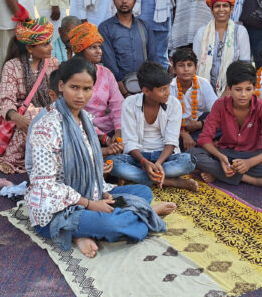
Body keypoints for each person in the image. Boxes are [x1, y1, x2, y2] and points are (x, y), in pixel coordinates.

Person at [28, 56, 175, 258]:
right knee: (115, 224)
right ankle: (145, 215)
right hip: (57, 210)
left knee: (142, 192)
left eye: (87, 89)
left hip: (89, 193)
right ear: (61, 86)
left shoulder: (85, 120)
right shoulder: (46, 127)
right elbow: (45, 185)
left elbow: (88, 164)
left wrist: (100, 191)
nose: (80, 95)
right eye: (74, 87)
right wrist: (89, 204)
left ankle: (87, 231)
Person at [189, 61, 262, 193]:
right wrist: (221, 158)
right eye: (238, 89)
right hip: (225, 153)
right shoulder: (220, 104)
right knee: (192, 155)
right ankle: (251, 179)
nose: (243, 95)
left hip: (253, 154)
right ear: (228, 88)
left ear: (255, 88)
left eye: (248, 89)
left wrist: (249, 163)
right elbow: (204, 138)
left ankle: (219, 173)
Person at [109, 62, 198, 191]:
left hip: (164, 158)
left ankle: (137, 177)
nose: (167, 93)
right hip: (138, 158)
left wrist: (158, 163)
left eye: (168, 88)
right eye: (162, 89)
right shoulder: (129, 103)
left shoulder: (174, 104)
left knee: (188, 161)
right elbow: (130, 142)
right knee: (112, 163)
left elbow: (171, 141)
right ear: (146, 91)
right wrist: (145, 163)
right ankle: (169, 181)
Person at [0, 7, 60, 174]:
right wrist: (17, 117)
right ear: (30, 48)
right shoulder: (12, 66)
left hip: (48, 112)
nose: (51, 47)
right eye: (46, 44)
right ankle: (12, 158)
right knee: (32, 114)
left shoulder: (53, 63)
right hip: (17, 117)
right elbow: (5, 99)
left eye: (50, 42)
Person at [66, 22, 124, 156]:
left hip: (108, 130)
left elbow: (117, 104)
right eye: (93, 47)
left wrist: (118, 131)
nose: (99, 51)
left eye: (99, 47)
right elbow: (73, 114)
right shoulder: (71, 75)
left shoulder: (106, 73)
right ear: (81, 50)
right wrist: (103, 138)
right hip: (80, 130)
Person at [98, 0, 158, 96]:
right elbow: (110, 64)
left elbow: (153, 59)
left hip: (145, 86)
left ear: (135, 1)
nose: (124, 1)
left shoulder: (144, 26)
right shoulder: (105, 28)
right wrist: (125, 93)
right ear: (114, 0)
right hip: (118, 88)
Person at [193, 0, 251, 94]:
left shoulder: (240, 32)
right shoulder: (201, 33)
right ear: (211, 10)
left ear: (231, 9)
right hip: (203, 89)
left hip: (233, 90)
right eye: (217, 6)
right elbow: (195, 64)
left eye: (225, 6)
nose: (221, 9)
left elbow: (245, 66)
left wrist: (229, 90)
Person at [169, 47, 217, 150]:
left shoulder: (203, 83)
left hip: (200, 126)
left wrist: (200, 124)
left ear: (196, 68)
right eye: (181, 65)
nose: (186, 69)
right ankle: (201, 143)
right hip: (177, 129)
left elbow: (217, 111)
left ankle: (195, 143)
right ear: (174, 69)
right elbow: (165, 119)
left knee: (222, 120)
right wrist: (183, 134)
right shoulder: (169, 88)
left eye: (189, 65)